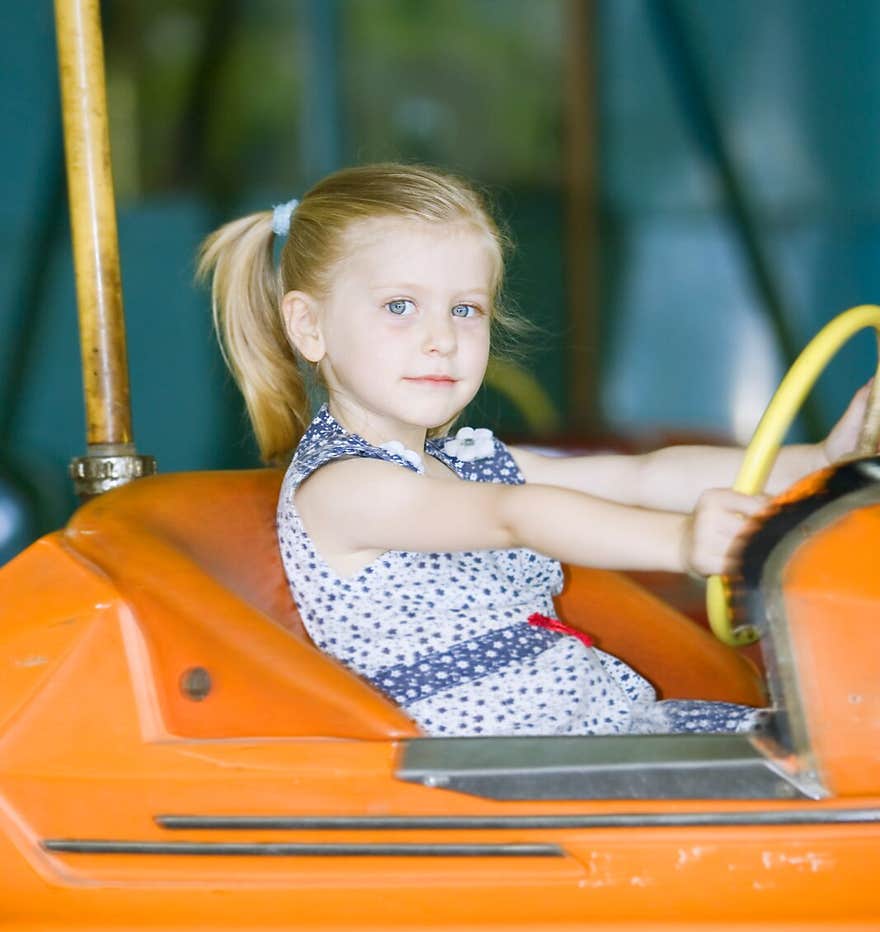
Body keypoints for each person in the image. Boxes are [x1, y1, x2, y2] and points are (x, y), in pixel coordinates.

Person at [197, 162, 869, 737]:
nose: (441, 338)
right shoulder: (344, 488)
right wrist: (684, 541)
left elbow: (639, 476)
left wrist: (811, 465)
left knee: (830, 732)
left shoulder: (464, 461)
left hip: (599, 735)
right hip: (500, 783)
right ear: (309, 326)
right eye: (400, 306)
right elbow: (514, 516)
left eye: (465, 310)